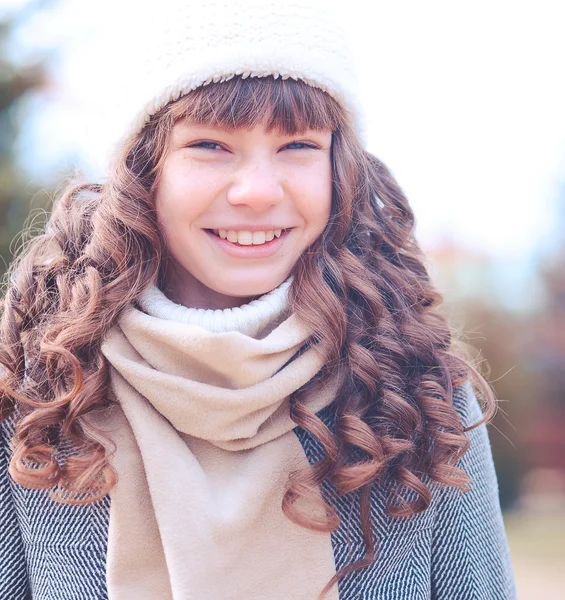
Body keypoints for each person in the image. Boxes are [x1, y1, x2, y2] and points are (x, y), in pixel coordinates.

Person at [0, 1, 516, 599]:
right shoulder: (42, 392)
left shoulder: (417, 394)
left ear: (340, 171)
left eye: (297, 145)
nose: (256, 192)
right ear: (145, 170)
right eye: (211, 146)